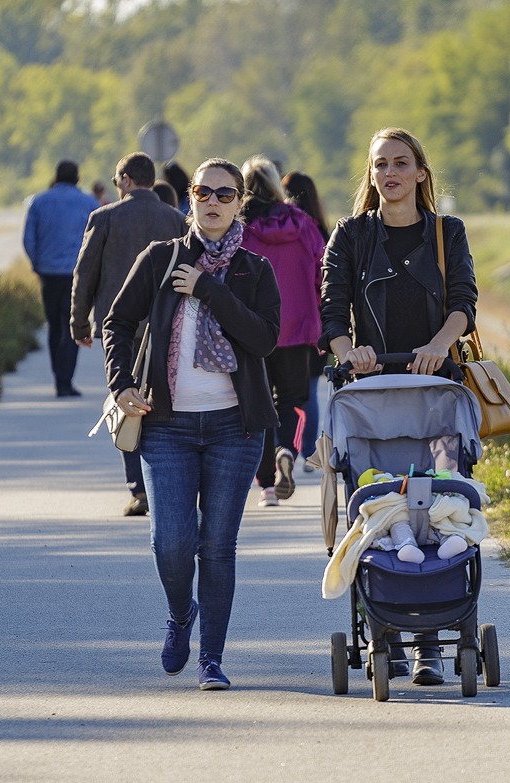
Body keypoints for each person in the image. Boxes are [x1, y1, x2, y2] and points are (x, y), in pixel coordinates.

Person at [102, 158, 281, 690]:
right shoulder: (160, 258)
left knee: (217, 547)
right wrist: (121, 384)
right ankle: (181, 614)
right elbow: (118, 321)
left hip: (235, 428)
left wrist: (208, 288)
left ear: (240, 202)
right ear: (189, 197)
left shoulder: (255, 270)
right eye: (204, 192)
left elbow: (264, 339)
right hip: (167, 426)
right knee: (172, 542)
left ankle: (212, 660)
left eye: (226, 195)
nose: (213, 202)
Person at [319, 127, 478, 687]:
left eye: (400, 163)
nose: (389, 173)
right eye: (380, 164)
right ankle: (385, 628)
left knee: (436, 502)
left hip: (436, 391)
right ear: (371, 175)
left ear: (420, 173)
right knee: (380, 503)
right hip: (373, 394)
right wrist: (349, 351)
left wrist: (440, 344)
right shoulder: (351, 236)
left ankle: (431, 642)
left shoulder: (445, 232)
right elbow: (332, 314)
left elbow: (464, 303)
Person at [72, 152, 188, 517]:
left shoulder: (104, 218)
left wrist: (79, 323)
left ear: (124, 179)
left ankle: (138, 489)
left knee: (125, 401)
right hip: (164, 324)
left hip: (116, 326)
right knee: (163, 403)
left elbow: (84, 273)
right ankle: (165, 484)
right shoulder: (177, 219)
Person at [239, 156, 326, 507]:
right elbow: (323, 272)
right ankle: (287, 450)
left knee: (256, 405)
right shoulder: (303, 223)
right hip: (298, 329)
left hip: (253, 329)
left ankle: (267, 486)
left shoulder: (239, 226)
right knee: (293, 401)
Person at [23, 159, 99, 397]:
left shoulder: (39, 202)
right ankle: (66, 379)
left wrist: (37, 263)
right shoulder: (89, 203)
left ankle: (59, 376)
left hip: (49, 273)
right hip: (77, 274)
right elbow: (97, 240)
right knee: (74, 325)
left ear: (55, 177)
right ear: (77, 178)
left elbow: (28, 238)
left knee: (55, 326)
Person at [281, 170, 332, 470]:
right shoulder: (320, 231)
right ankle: (309, 454)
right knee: (310, 391)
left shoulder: (271, 225)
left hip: (279, 323)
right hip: (313, 322)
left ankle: (283, 449)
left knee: (280, 393)